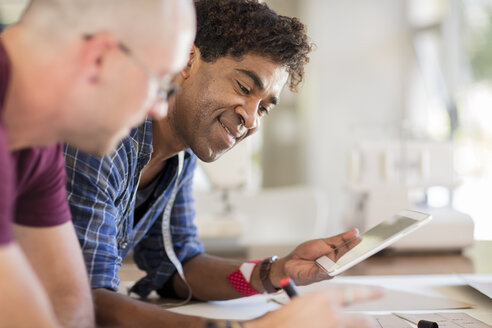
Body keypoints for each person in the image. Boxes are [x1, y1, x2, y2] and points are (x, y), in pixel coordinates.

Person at [64, 0, 383, 327]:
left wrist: (274, 272)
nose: (252, 120)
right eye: (244, 88)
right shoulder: (103, 139)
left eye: (263, 108)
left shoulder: (179, 156)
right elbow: (88, 301)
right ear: (188, 61)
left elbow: (179, 268)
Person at [0, 0, 195, 327]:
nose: (160, 110)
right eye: (160, 83)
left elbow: (69, 307)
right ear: (99, 59)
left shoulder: (38, 139)